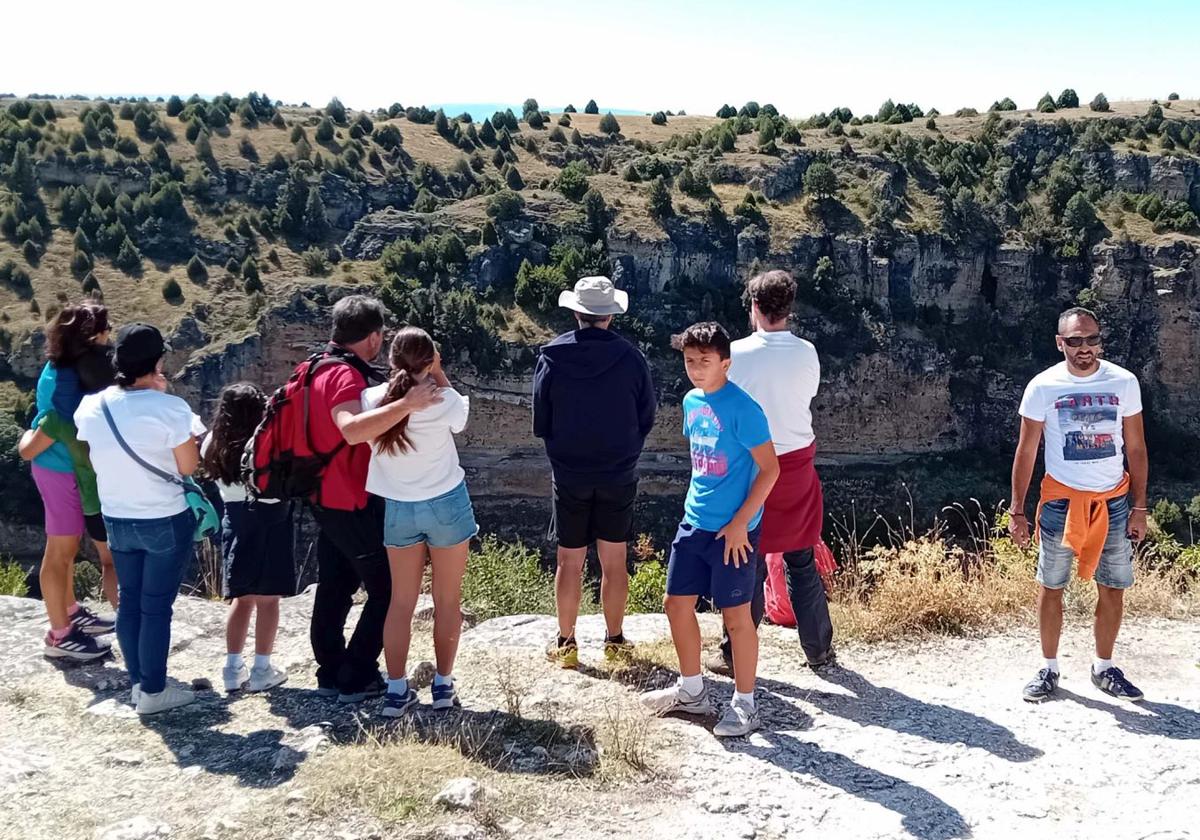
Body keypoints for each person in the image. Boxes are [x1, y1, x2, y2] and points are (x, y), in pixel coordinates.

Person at [640, 322, 780, 738]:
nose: (696, 369)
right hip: (694, 522)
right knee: (675, 604)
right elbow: (703, 464)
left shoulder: (744, 408)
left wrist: (740, 523)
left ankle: (746, 704)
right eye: (689, 361)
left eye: (705, 361)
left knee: (737, 618)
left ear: (726, 362)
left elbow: (771, 469)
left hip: (733, 532)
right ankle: (692, 690)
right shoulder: (691, 402)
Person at [303, 295, 440, 703]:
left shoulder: (314, 367)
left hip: (323, 493)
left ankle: (330, 670)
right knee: (390, 591)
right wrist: (407, 403)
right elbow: (350, 430)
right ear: (374, 337)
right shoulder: (345, 377)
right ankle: (358, 674)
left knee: (335, 584)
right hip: (350, 497)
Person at [1010, 307, 1149, 703]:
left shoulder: (1124, 382)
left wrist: (1140, 507)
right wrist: (1017, 510)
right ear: (1060, 343)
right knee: (1051, 586)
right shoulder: (1043, 386)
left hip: (1115, 502)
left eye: (1091, 339)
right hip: (1061, 502)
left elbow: (1136, 447)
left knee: (1113, 587)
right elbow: (1026, 451)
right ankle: (1049, 668)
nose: (1084, 348)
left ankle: (1104, 667)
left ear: (1100, 340)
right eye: (1074, 340)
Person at [708, 270, 835, 675]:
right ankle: (819, 651)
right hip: (796, 466)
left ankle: (734, 655)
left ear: (755, 308)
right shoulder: (808, 352)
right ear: (788, 309)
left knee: (747, 562)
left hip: (749, 468)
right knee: (801, 560)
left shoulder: (736, 354)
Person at [74, 323, 204, 714]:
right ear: (158, 362)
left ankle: (137, 684)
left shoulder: (91, 406)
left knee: (129, 603)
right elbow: (188, 466)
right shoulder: (171, 408)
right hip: (163, 517)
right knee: (156, 607)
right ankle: (153, 690)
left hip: (116, 517)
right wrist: (161, 399)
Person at [533, 276, 657, 668]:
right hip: (618, 473)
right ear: (610, 317)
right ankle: (615, 641)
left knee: (569, 561)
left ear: (575, 312)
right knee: (614, 560)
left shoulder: (552, 357)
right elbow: (647, 416)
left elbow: (541, 421)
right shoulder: (632, 358)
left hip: (569, 473)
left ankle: (567, 644)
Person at [361, 328, 477, 717]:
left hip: (399, 508)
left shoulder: (374, 399)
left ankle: (396, 691)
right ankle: (443, 687)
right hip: (446, 504)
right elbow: (461, 417)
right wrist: (438, 372)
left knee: (401, 602)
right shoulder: (443, 400)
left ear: (392, 361)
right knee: (447, 600)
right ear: (430, 360)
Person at [19, 303, 119, 661]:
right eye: (107, 330)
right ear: (92, 335)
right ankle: (60, 635)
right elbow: (51, 427)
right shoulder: (65, 381)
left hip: (64, 468)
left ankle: (71, 611)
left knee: (67, 549)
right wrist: (28, 444)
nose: (110, 336)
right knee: (59, 553)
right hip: (59, 470)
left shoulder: (62, 366)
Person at [201, 384, 293, 694]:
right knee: (268, 600)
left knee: (241, 599)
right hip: (270, 517)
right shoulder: (266, 440)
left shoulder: (212, 444)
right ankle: (262, 668)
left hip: (234, 518)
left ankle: (231, 667)